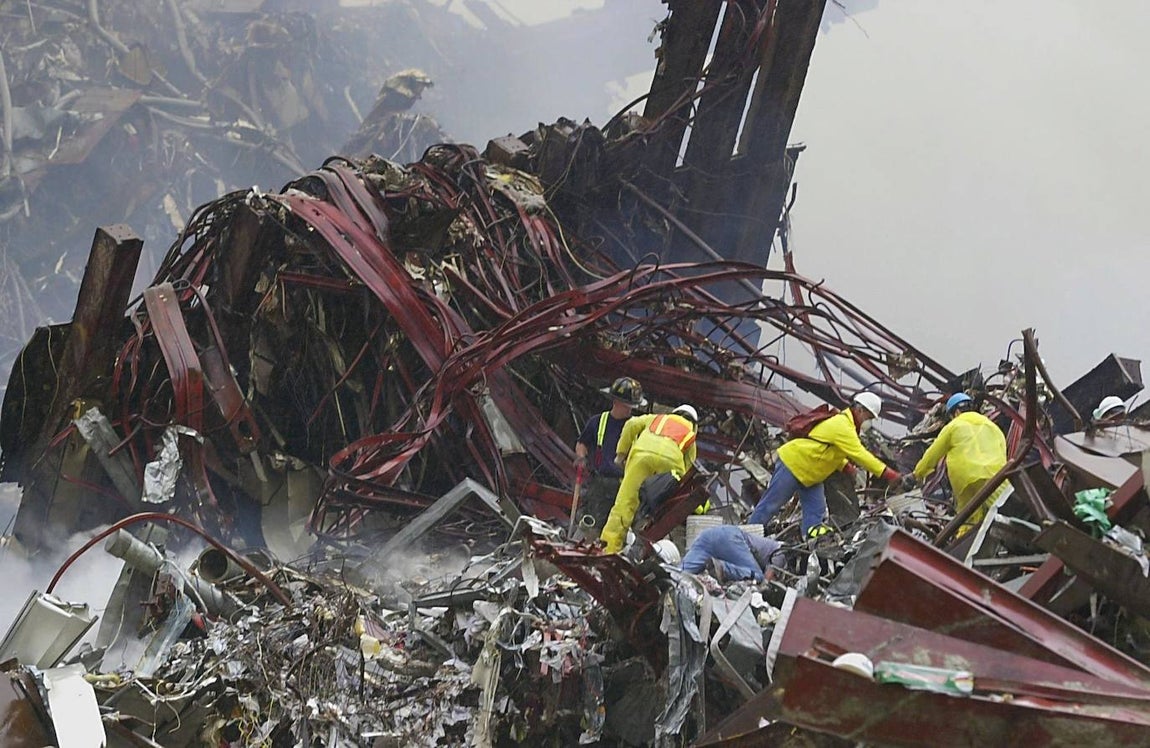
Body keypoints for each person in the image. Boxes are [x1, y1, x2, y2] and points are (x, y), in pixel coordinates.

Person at [748, 392, 901, 538]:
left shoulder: (846, 426)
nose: (869, 421)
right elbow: (860, 454)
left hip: (811, 474)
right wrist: (889, 474)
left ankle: (810, 548)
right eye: (869, 417)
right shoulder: (843, 425)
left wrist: (845, 466)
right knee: (771, 505)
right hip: (794, 464)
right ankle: (745, 536)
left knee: (816, 514)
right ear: (860, 410)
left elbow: (831, 450)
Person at [600, 404, 699, 553]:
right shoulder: (690, 435)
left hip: (642, 457)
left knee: (624, 505)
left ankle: (608, 549)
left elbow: (631, 423)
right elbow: (688, 467)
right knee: (658, 515)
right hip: (670, 466)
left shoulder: (657, 418)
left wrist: (621, 454)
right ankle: (643, 552)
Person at [912, 393, 1007, 538]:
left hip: (968, 479)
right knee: (999, 516)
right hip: (997, 478)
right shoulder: (994, 427)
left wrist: (917, 474)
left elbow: (932, 455)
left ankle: (960, 554)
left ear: (956, 412)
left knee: (968, 521)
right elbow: (1003, 453)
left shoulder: (954, 426)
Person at [574, 377, 647, 530]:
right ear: (616, 401)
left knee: (623, 530)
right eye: (628, 406)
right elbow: (582, 443)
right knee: (594, 527)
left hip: (627, 485)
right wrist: (581, 458)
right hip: (601, 485)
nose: (630, 410)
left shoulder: (637, 426)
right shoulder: (598, 421)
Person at [681, 525, 785, 582]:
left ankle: (666, 568)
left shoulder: (771, 547)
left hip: (708, 535)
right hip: (730, 539)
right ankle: (722, 568)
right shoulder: (782, 551)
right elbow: (767, 581)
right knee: (758, 577)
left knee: (678, 574)